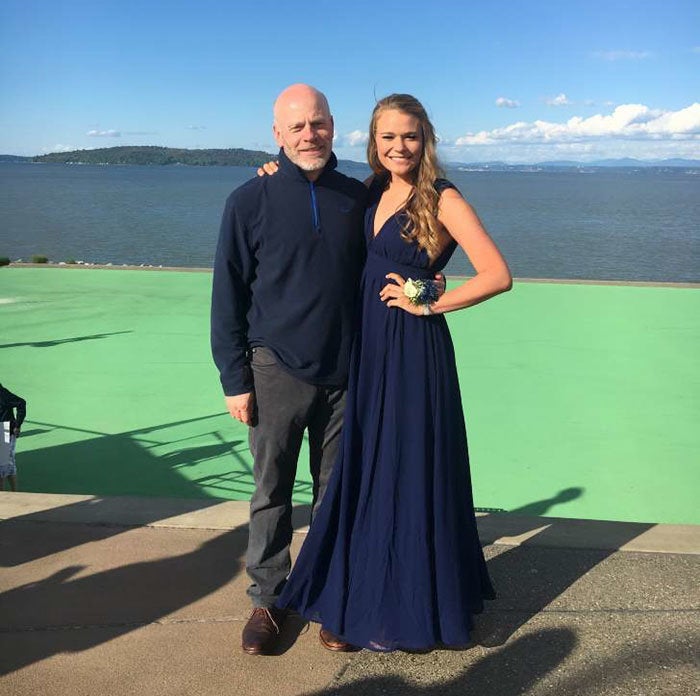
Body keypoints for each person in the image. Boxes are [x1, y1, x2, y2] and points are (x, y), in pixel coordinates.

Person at [275, 94, 512, 652]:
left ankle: (407, 603)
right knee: (368, 468)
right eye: (387, 137)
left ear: (424, 138)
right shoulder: (372, 190)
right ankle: (358, 592)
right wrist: (273, 167)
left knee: (408, 468)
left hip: (413, 351)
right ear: (373, 142)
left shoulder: (442, 197)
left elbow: (497, 274)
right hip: (369, 348)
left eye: (409, 136)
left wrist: (427, 302)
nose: (398, 147)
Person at [210, 84, 369, 655]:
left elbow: (403, 246)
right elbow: (227, 294)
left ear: (333, 126)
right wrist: (234, 379)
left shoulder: (358, 197)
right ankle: (268, 601)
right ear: (276, 134)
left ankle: (329, 596)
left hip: (347, 372)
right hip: (274, 369)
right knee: (271, 492)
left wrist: (432, 285)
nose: (309, 134)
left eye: (318, 123)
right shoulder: (247, 201)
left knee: (335, 494)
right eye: (297, 126)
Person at [0, 383, 26, 492]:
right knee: (8, 466)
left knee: (2, 466)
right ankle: (14, 493)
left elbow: (21, 403)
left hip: (4, 430)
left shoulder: (2, 394)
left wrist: (18, 424)